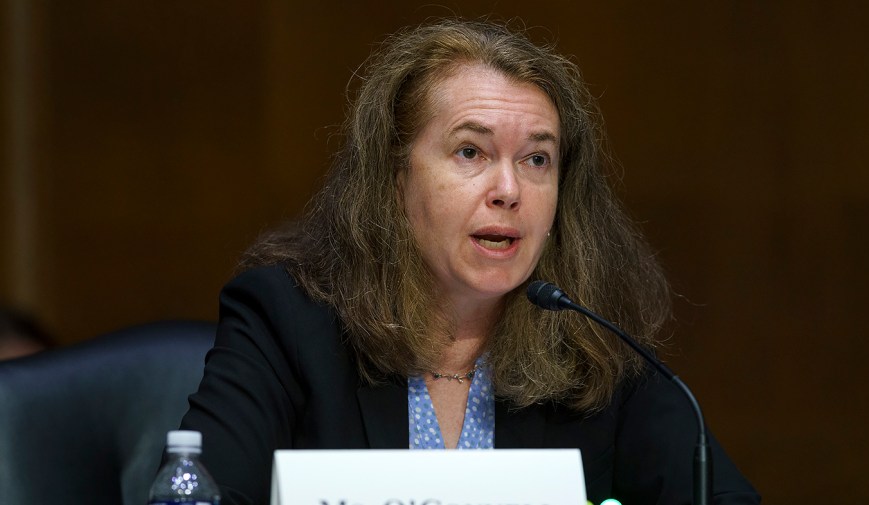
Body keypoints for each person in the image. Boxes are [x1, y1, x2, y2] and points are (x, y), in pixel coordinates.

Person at [179, 19, 760, 505]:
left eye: (537, 159)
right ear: (396, 176)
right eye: (470, 151)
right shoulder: (285, 320)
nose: (509, 189)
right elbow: (199, 495)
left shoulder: (596, 344)